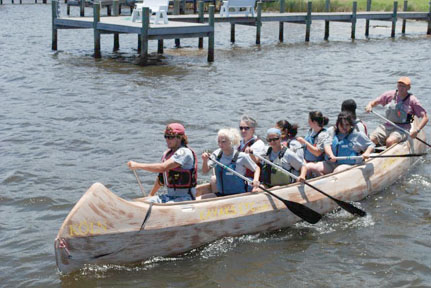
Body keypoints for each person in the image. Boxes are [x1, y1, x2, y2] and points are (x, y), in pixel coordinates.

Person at [127, 123, 198, 203]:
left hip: (185, 198)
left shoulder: (184, 152)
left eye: (170, 137)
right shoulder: (167, 154)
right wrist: (151, 194)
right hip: (170, 196)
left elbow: (163, 167)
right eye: (166, 136)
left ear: (180, 137)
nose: (167, 139)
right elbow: (161, 178)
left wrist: (137, 165)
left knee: (167, 205)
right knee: (147, 201)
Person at [365, 77, 428, 147]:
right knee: (371, 139)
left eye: (403, 86)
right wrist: (369, 105)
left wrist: (417, 130)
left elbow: (425, 117)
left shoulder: (413, 100)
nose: (400, 88)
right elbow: (374, 102)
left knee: (389, 141)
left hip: (403, 128)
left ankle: (388, 153)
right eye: (399, 85)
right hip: (387, 126)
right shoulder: (389, 95)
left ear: (408, 88)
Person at [307, 112, 375, 176]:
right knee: (311, 167)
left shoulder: (358, 135)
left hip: (348, 165)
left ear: (351, 125)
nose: (344, 127)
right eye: (341, 124)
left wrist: (367, 152)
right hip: (331, 163)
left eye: (347, 125)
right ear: (337, 124)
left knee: (338, 170)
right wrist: (331, 155)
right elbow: (326, 145)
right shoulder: (332, 132)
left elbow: (371, 145)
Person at [201, 128, 260, 196]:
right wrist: (205, 161)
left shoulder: (242, 156)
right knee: (202, 197)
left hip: (239, 195)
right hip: (222, 194)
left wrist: (256, 180)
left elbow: (257, 168)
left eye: (223, 142)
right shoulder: (216, 154)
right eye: (219, 141)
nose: (220, 144)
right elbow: (205, 171)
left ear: (230, 142)